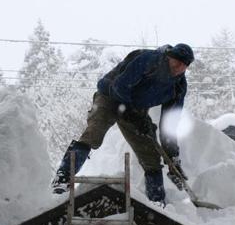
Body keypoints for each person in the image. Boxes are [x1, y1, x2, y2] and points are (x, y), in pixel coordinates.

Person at [52, 43, 194, 203]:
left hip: (135, 109)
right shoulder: (149, 60)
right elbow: (121, 85)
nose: (178, 67)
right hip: (109, 97)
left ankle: (157, 202)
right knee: (94, 134)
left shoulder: (178, 87)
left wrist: (172, 158)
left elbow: (169, 124)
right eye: (176, 62)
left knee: (151, 155)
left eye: (184, 65)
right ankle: (62, 180)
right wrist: (129, 111)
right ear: (168, 57)